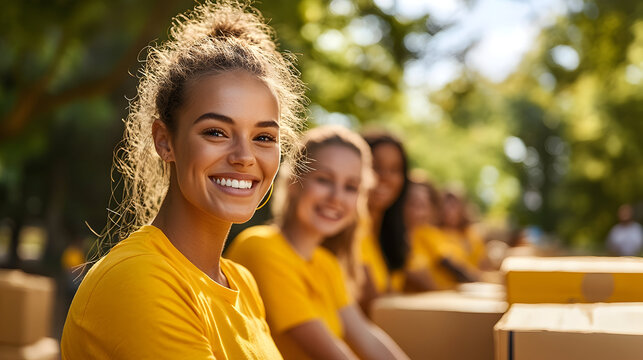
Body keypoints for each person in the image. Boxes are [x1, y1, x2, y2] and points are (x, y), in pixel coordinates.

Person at [61, 1, 306, 358]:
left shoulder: (243, 284)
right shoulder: (140, 279)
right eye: (216, 132)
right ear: (165, 141)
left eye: (264, 137)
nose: (244, 157)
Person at [226, 125, 409, 360]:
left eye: (350, 187)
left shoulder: (326, 263)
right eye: (324, 180)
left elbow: (366, 336)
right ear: (293, 181)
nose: (336, 197)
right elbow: (330, 353)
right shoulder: (261, 247)